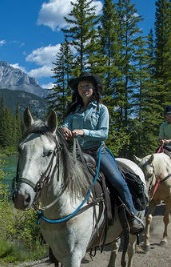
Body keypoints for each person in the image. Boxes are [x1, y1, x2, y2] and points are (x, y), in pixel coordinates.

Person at [60, 72, 144, 235]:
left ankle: (132, 215)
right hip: (78, 153)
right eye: (80, 86)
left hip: (98, 152)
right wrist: (64, 130)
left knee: (118, 180)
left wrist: (83, 131)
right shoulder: (74, 110)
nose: (83, 89)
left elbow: (103, 134)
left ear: (94, 89)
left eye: (87, 86)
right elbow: (65, 124)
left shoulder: (101, 109)